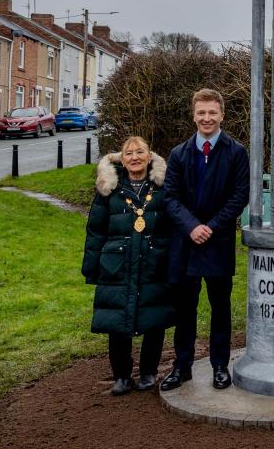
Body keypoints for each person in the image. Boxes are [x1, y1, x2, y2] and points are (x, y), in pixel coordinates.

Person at [160, 89, 249, 391]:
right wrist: (192, 227)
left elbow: (239, 196)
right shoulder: (179, 154)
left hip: (217, 241)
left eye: (212, 113)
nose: (207, 118)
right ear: (193, 115)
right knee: (185, 309)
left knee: (220, 307)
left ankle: (220, 366)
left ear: (222, 115)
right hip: (186, 242)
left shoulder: (236, 152)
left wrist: (210, 227)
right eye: (201, 113)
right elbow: (169, 198)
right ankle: (182, 366)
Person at [82, 137, 173, 395]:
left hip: (153, 263)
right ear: (122, 159)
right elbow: (96, 229)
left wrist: (168, 257)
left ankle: (148, 372)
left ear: (149, 156)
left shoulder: (162, 188)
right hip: (116, 265)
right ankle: (121, 375)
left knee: (153, 318)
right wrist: (92, 267)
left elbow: (170, 228)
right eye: (129, 153)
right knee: (117, 322)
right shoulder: (108, 189)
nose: (134, 157)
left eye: (140, 152)